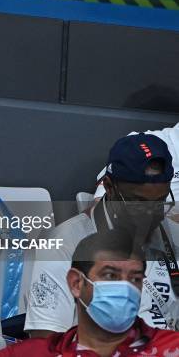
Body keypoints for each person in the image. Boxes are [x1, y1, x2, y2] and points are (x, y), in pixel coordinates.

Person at [25, 133, 178, 338]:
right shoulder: (63, 244)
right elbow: (45, 340)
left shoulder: (172, 235)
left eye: (159, 203)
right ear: (108, 187)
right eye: (137, 204)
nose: (150, 215)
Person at [0, 232, 179, 356]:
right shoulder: (33, 353)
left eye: (135, 278)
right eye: (110, 275)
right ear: (76, 283)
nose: (125, 288)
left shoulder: (171, 348)